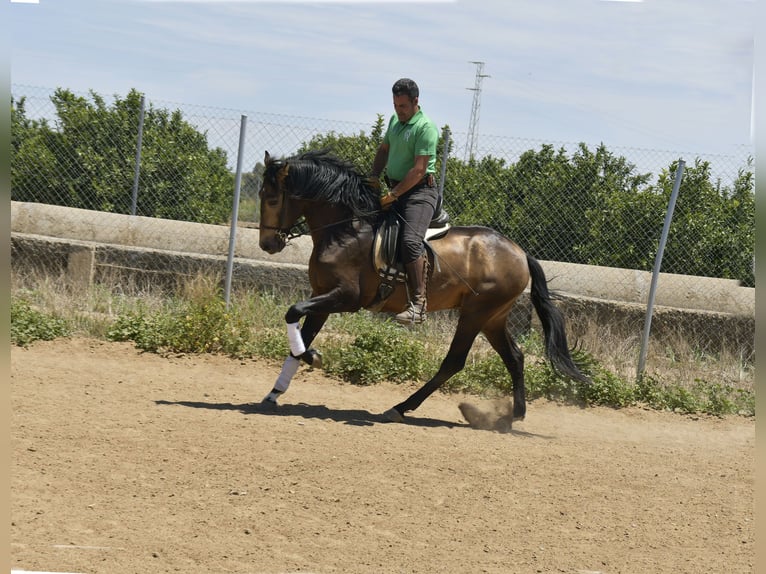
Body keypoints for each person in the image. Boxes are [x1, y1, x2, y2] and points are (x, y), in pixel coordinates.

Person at [369, 78, 439, 325]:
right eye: (396, 105)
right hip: (396, 189)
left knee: (410, 242)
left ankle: (419, 305)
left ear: (415, 102)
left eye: (403, 106)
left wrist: (393, 195)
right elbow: (384, 150)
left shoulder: (426, 128)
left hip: (420, 194)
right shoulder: (394, 121)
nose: (399, 110)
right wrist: (373, 177)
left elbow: (419, 171)